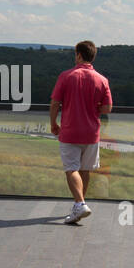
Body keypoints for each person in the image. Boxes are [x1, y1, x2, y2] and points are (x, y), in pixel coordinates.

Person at [50, 41, 113, 225]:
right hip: (92, 133)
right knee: (85, 170)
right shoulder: (102, 80)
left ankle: (80, 204)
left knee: (71, 169)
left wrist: (53, 123)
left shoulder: (66, 76)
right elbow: (108, 108)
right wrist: (92, 108)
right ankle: (79, 206)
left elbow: (55, 103)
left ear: (78, 55)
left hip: (70, 131)